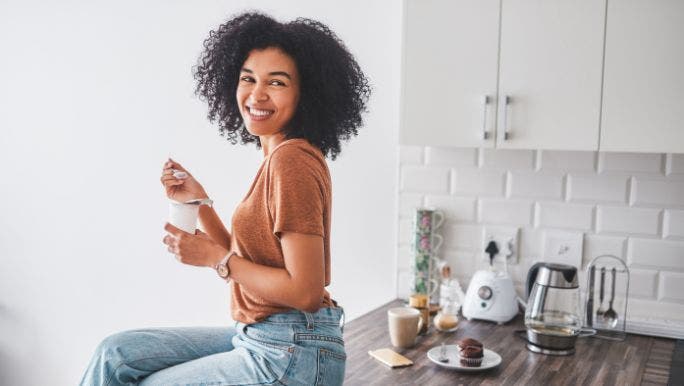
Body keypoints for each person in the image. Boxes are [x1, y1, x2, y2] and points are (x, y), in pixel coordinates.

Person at [79, 11, 370, 386]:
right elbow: (251, 263)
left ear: (306, 92)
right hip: (271, 337)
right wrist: (201, 205)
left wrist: (217, 259)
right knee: (115, 353)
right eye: (248, 79)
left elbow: (305, 291)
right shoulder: (277, 158)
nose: (257, 94)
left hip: (292, 350)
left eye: (276, 82)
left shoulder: (291, 162)